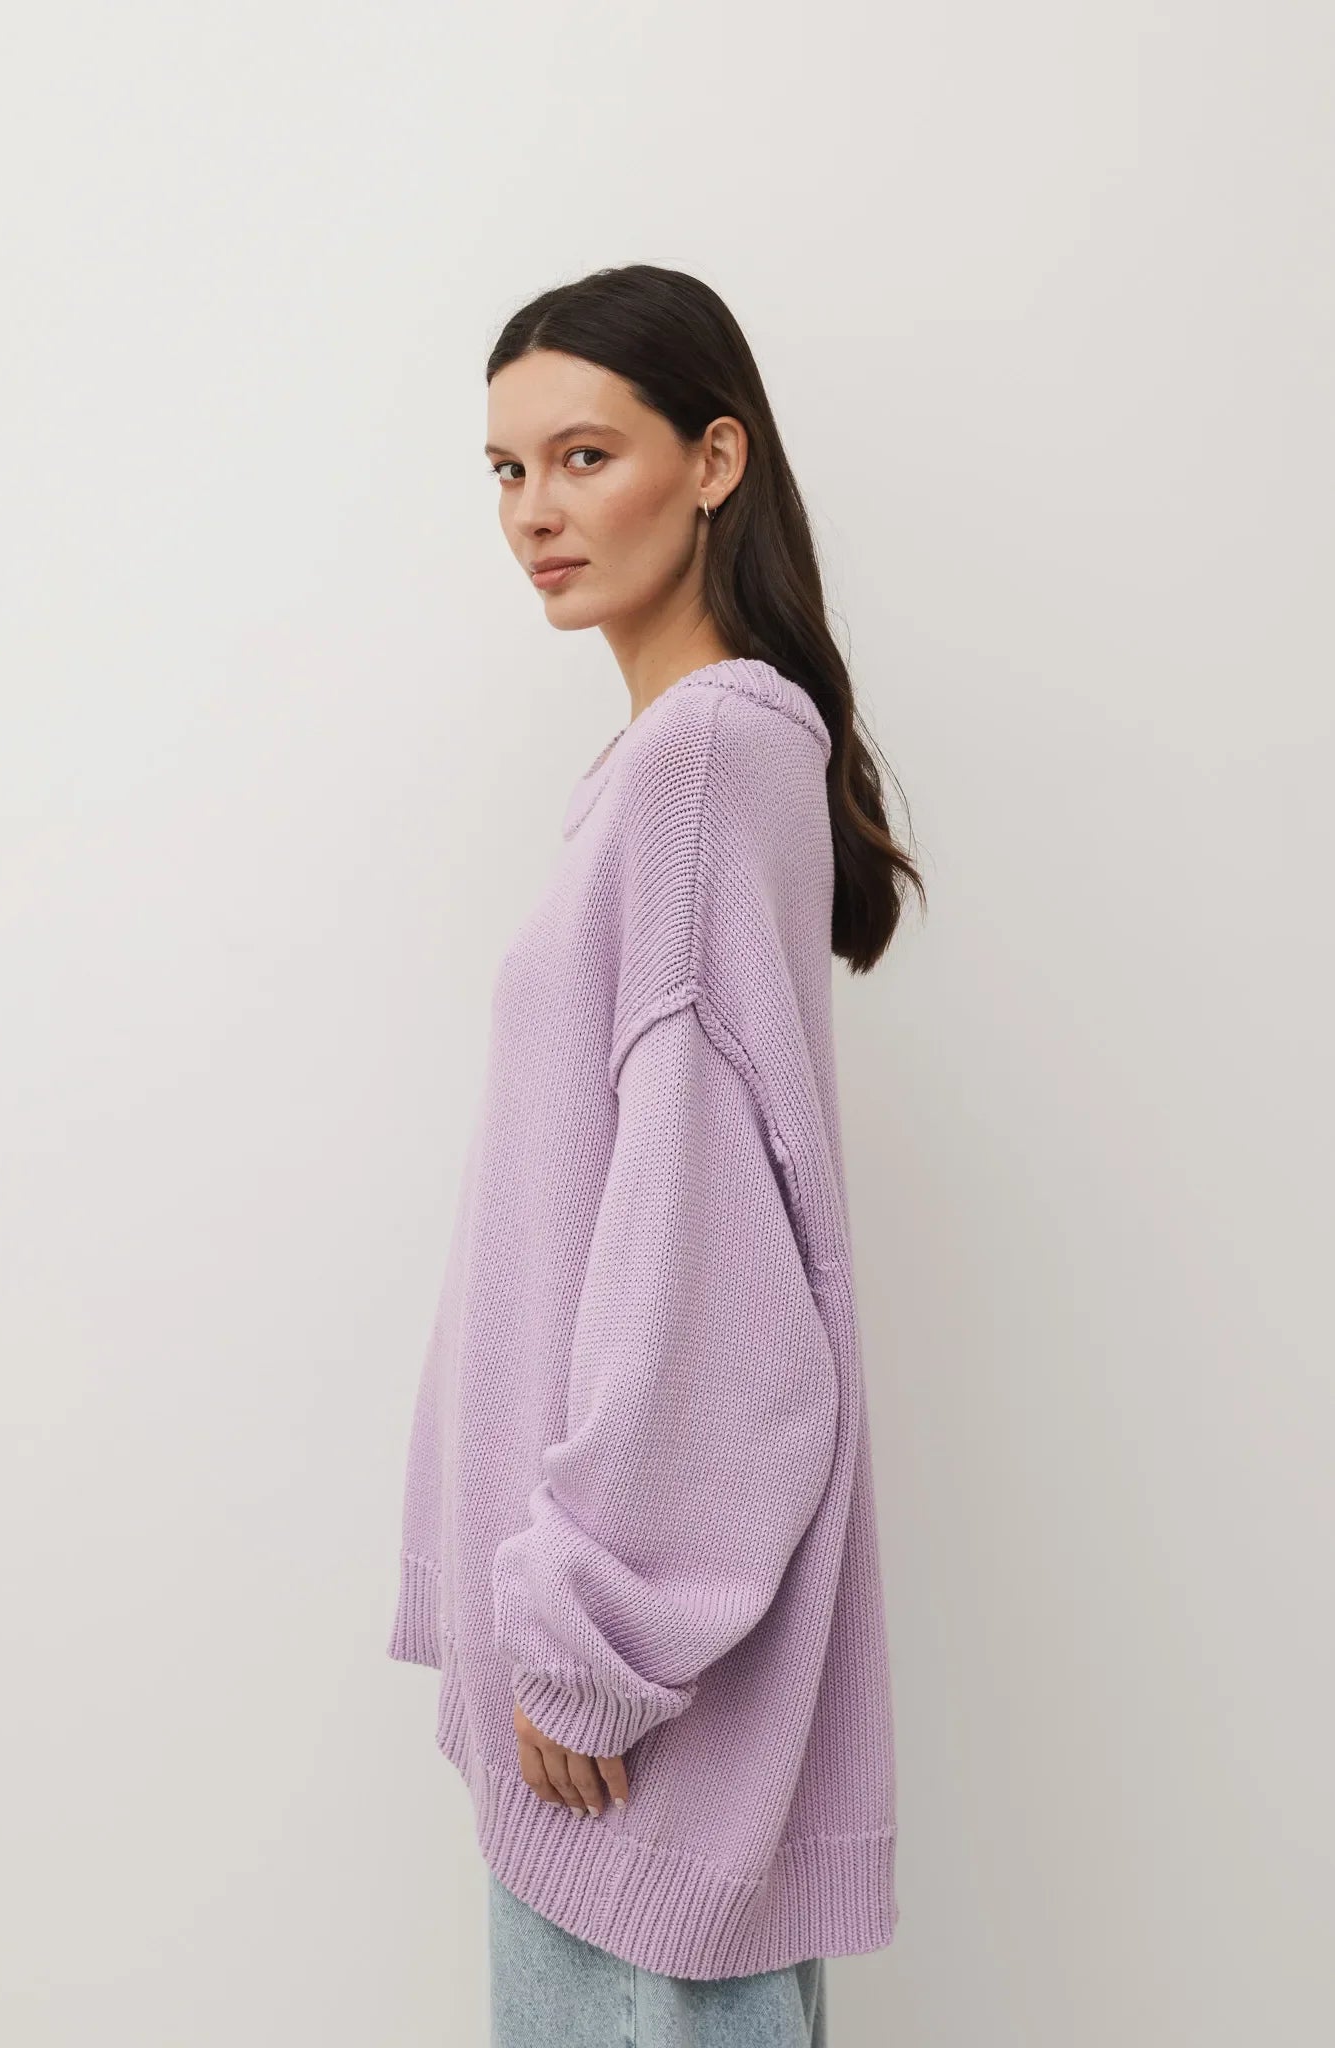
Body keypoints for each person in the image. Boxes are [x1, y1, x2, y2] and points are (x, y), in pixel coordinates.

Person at [387, 262, 924, 2047]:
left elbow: (712, 1269)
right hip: (597, 1704)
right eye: (505, 469)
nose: (533, 513)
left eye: (583, 455)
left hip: (626, 1713)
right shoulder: (660, 770)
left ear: (713, 460)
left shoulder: (702, 760)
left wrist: (592, 1630)